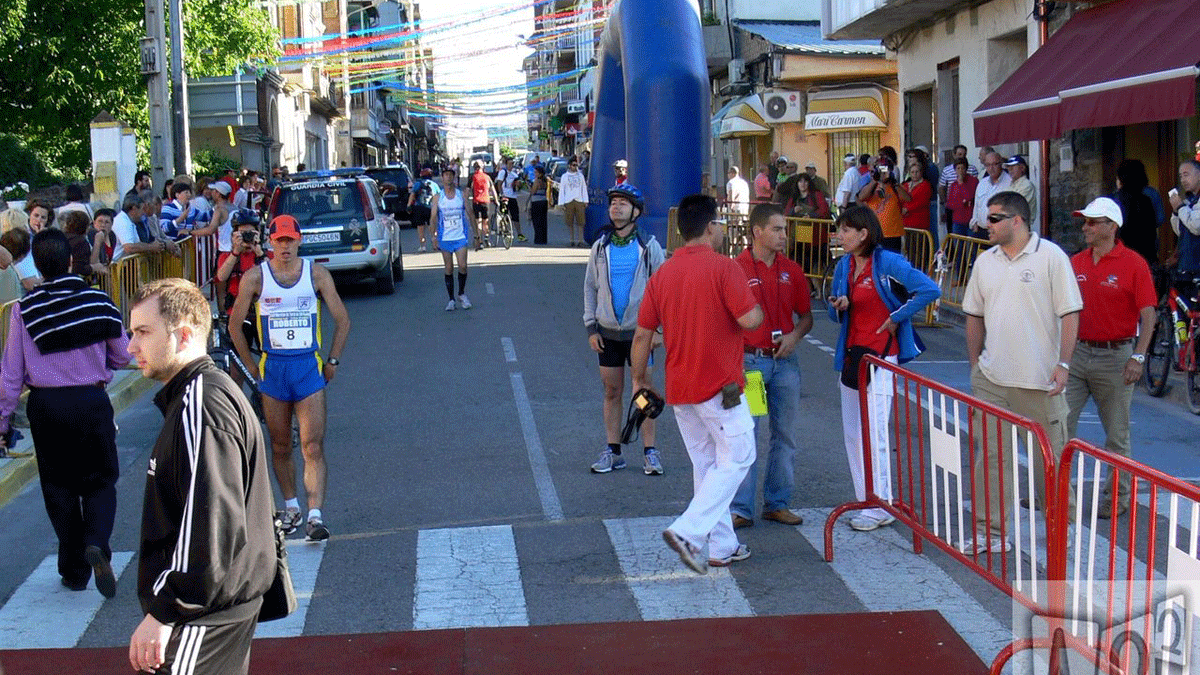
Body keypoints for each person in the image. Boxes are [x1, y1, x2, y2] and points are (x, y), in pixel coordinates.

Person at [126, 278, 274, 675]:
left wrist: (166, 611)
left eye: (143, 332)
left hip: (202, 617)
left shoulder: (201, 402)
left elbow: (212, 519)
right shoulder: (200, 395)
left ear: (184, 335)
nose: (131, 347)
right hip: (212, 609)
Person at [631, 194, 763, 573]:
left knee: (706, 466)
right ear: (710, 227)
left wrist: (639, 381)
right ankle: (688, 531)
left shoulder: (663, 275)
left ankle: (722, 545)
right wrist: (756, 309)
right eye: (718, 223)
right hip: (722, 386)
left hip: (681, 388)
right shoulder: (725, 268)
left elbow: (642, 336)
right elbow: (750, 319)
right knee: (740, 456)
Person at [0, 229, 129, 596]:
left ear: (38, 267)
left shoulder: (25, 309)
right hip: (91, 401)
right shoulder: (98, 301)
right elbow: (123, 354)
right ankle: (97, 543)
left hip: (47, 407)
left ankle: (74, 570)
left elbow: (10, 375)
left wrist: (2, 422)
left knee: (59, 487)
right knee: (100, 481)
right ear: (71, 261)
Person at [963, 191, 1082, 554]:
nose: (986, 224)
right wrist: (975, 366)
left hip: (1041, 382)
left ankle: (1061, 530)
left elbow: (1070, 313)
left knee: (1051, 460)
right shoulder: (985, 262)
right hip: (993, 380)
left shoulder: (1052, 257)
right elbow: (973, 315)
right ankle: (990, 532)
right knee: (992, 459)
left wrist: (1063, 364)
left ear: (1016, 221)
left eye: (994, 218)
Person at [229, 215, 351, 541]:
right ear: (270, 242)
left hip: (307, 367)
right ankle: (292, 506)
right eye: (279, 240)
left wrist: (333, 360)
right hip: (274, 370)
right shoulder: (256, 277)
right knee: (281, 445)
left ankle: (315, 515)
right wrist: (251, 368)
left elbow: (342, 319)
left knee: (312, 444)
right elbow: (234, 326)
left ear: (299, 241)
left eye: (290, 240)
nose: (285, 246)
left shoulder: (316, 274)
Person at [827, 207, 939, 532]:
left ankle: (881, 503)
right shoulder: (844, 265)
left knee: (873, 432)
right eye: (839, 230)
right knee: (853, 433)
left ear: (863, 233)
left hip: (881, 356)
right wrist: (840, 305)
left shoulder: (888, 262)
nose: (839, 236)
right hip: (852, 355)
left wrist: (896, 317)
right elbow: (834, 313)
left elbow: (929, 289)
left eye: (845, 230)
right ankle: (866, 499)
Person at [1065, 197, 1156, 519]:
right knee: (1059, 425)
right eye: (1085, 221)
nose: (1085, 227)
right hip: (1077, 354)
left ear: (1112, 226)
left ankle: (1116, 498)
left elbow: (1149, 315)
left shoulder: (1134, 264)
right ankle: (1056, 494)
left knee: (1117, 435)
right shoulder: (1075, 262)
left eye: (1092, 222)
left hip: (1116, 356)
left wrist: (1138, 357)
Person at [730, 203, 814, 529]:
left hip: (785, 365)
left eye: (785, 229)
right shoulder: (736, 269)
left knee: (785, 435)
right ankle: (741, 508)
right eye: (777, 229)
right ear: (757, 232)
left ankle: (777, 503)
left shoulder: (792, 270)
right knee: (747, 433)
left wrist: (794, 336)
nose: (784, 235)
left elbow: (806, 317)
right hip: (752, 364)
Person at [584, 183, 665, 475]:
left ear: (636, 211)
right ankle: (613, 451)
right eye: (613, 202)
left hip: (640, 334)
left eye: (623, 203)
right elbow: (590, 288)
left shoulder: (649, 246)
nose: (616, 207)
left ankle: (650, 451)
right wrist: (591, 327)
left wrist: (659, 330)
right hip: (607, 333)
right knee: (611, 391)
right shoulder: (600, 246)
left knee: (642, 391)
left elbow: (663, 290)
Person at [215, 211, 267, 379]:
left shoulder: (265, 256)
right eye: (243, 233)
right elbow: (221, 276)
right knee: (237, 368)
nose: (247, 237)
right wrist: (235, 252)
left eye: (250, 233)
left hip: (262, 314)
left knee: (270, 363)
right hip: (237, 315)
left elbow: (275, 278)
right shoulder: (227, 256)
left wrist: (259, 252)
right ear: (234, 235)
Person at [430, 168, 473, 310]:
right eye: (446, 175)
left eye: (450, 175)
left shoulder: (461, 195)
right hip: (445, 238)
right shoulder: (438, 197)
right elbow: (433, 218)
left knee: (463, 266)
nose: (448, 177)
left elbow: (470, 213)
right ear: (442, 178)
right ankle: (451, 299)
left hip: (460, 236)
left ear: (454, 178)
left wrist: (477, 235)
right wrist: (433, 237)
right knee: (448, 268)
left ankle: (461, 293)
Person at [1111, 159, 1160, 265]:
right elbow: (1158, 220)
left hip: (1122, 254)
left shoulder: (1116, 200)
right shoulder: (1147, 199)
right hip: (1146, 254)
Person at [858, 158, 908, 252]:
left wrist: (893, 182)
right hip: (875, 233)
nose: (883, 174)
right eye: (881, 170)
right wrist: (875, 180)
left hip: (893, 234)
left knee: (892, 260)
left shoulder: (894, 187)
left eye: (885, 170)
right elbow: (861, 197)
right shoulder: (871, 187)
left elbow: (907, 198)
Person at [1170, 160, 1200, 281]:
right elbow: (1180, 231)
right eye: (1181, 176)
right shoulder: (1189, 199)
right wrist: (1176, 211)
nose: (1183, 180)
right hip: (1186, 267)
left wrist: (1181, 208)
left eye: (1186, 175)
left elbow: (1196, 226)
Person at [940, 145, 978, 231]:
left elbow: (972, 194)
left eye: (964, 154)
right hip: (955, 213)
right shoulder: (948, 172)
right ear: (954, 155)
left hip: (969, 214)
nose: (960, 170)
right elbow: (942, 187)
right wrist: (945, 202)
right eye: (960, 154)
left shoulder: (972, 172)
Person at [901, 153, 935, 248]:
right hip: (907, 223)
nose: (915, 174)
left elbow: (922, 202)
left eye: (917, 172)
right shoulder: (905, 185)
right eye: (912, 172)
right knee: (908, 248)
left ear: (921, 172)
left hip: (920, 223)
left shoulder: (926, 185)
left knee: (920, 249)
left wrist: (907, 209)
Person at [408, 168, 441, 252]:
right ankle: (435, 245)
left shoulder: (418, 184)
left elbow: (412, 194)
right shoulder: (434, 185)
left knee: (420, 228)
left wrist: (409, 205)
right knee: (432, 227)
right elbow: (437, 197)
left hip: (419, 208)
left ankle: (423, 246)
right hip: (430, 208)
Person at [494, 158, 527, 243]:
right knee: (504, 214)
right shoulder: (503, 172)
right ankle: (505, 231)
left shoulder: (514, 174)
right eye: (509, 164)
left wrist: (518, 184)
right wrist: (501, 194)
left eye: (512, 164)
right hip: (505, 196)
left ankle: (519, 234)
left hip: (513, 197)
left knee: (515, 216)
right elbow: (499, 184)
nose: (511, 165)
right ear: (506, 164)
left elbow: (519, 185)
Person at [946, 158, 980, 239]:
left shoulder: (974, 181)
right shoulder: (954, 185)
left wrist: (961, 184)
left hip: (970, 220)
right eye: (958, 168)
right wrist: (962, 202)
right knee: (958, 244)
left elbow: (970, 196)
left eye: (962, 168)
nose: (960, 171)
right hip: (957, 221)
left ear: (966, 169)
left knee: (971, 244)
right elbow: (950, 204)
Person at [559, 157, 589, 247]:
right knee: (570, 222)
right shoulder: (564, 176)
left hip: (579, 200)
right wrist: (561, 203)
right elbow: (562, 190)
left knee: (581, 222)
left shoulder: (580, 176)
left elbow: (584, 188)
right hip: (568, 201)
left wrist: (585, 200)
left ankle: (580, 240)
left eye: (576, 165)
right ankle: (571, 240)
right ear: (569, 166)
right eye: (573, 165)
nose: (575, 167)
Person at [469, 162, 497, 250]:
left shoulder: (472, 177)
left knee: (478, 222)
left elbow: (468, 189)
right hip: (485, 201)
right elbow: (492, 189)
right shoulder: (487, 177)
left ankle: (480, 241)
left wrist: (466, 200)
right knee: (486, 221)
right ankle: (486, 237)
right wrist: (496, 200)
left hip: (476, 201)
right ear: (483, 167)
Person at [1004, 156, 1037, 230]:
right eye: (1008, 167)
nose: (1010, 169)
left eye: (1013, 166)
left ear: (1022, 168)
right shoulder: (1011, 185)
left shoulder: (1027, 185)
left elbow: (1013, 206)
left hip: (1021, 227)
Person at [528, 165, 550, 245]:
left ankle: (538, 239)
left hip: (536, 202)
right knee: (543, 221)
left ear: (540, 173)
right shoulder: (545, 180)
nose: (535, 174)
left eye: (536, 172)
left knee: (536, 221)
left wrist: (529, 187)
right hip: (544, 201)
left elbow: (533, 191)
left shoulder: (537, 181)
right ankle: (543, 239)